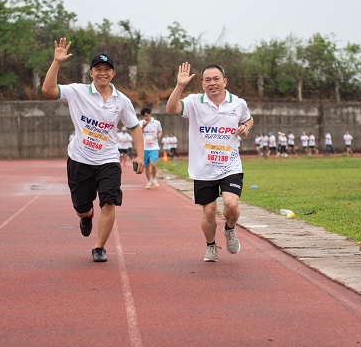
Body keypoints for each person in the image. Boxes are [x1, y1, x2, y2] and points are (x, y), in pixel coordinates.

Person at [42, 39, 144, 263]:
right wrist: (57, 62)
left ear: (113, 74)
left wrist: (139, 155)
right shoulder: (77, 92)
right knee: (81, 207)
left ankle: (99, 247)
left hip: (108, 159)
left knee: (109, 201)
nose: (102, 73)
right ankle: (86, 216)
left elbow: (135, 128)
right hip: (80, 159)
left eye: (107, 70)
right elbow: (48, 89)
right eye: (98, 69)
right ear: (91, 73)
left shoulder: (122, 101)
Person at [166, 62, 253, 262]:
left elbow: (249, 119)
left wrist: (246, 127)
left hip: (230, 164)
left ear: (224, 81)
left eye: (216, 79)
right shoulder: (195, 102)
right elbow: (171, 108)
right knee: (209, 211)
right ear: (202, 84)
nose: (212, 83)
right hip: (203, 168)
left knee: (231, 204)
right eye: (207, 80)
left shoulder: (237, 103)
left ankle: (230, 229)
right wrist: (180, 85)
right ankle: (211, 245)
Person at [139, 107, 163, 188]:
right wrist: (143, 127)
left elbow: (160, 131)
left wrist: (159, 135)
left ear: (150, 114)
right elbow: (138, 133)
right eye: (144, 116)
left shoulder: (157, 123)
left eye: (147, 116)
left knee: (153, 164)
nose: (145, 118)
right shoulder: (141, 123)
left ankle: (154, 178)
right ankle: (149, 181)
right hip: (145, 147)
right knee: (146, 166)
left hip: (154, 147)